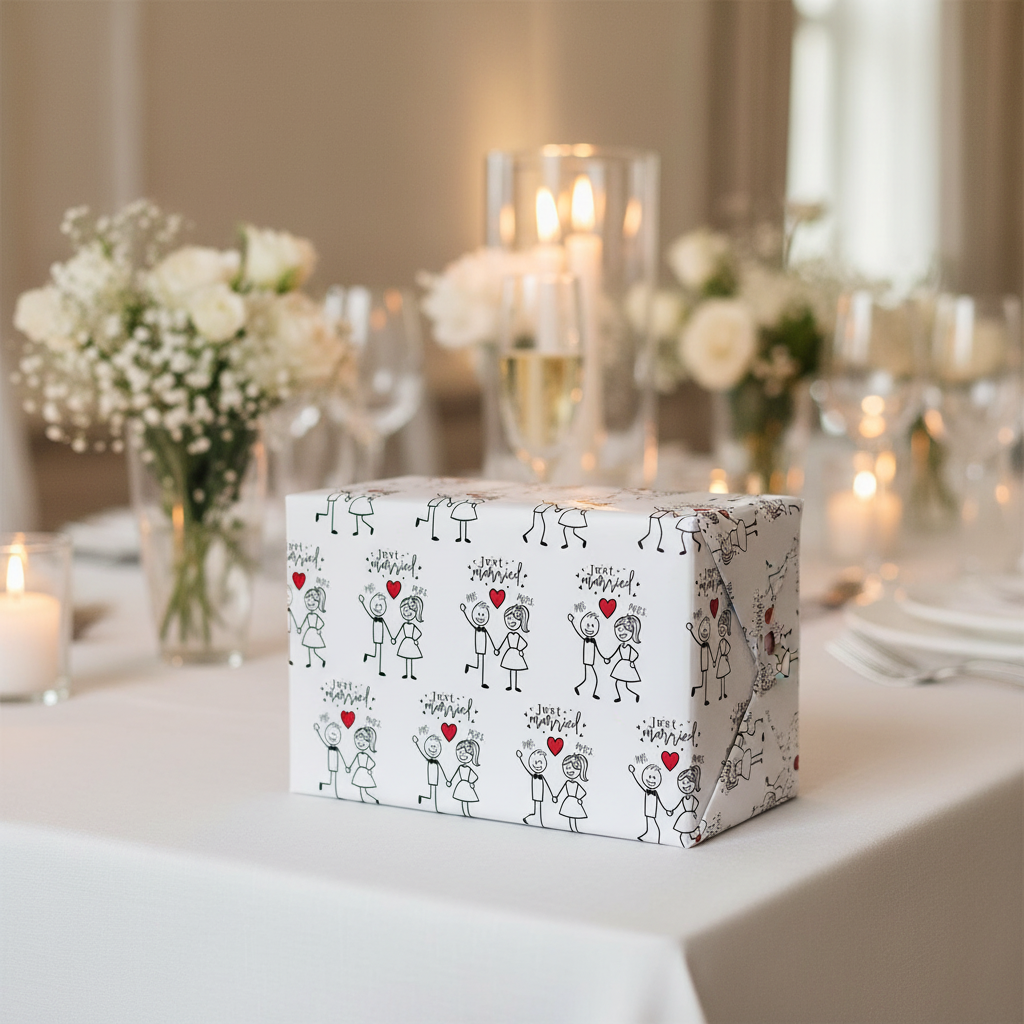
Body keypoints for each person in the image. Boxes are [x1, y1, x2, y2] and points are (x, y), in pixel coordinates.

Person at [568, 611, 605, 699]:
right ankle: (591, 693)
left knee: (588, 678)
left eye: (592, 626)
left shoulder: (593, 640)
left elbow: (598, 650)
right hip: (587, 661)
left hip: (591, 661)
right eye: (587, 625)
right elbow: (578, 632)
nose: (589, 628)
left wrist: (604, 658)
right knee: (593, 678)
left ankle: (579, 688)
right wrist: (572, 622)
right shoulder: (585, 639)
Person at [628, 763, 666, 843]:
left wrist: (666, 809)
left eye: (654, 777)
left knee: (652, 820)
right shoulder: (646, 790)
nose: (651, 780)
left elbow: (660, 801)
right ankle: (649, 832)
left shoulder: (655, 792)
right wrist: (633, 773)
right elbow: (640, 784)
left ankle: (655, 834)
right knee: (649, 820)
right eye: (649, 777)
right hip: (648, 808)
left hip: (653, 809)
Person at [460, 601, 495, 688]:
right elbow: (469, 621)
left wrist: (495, 648)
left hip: (483, 647)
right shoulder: (476, 628)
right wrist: (464, 612)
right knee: (479, 664)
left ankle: (482, 682)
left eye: (483, 615)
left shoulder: (485, 630)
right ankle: (470, 667)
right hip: (478, 646)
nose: (480, 617)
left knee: (481, 664)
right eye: (479, 614)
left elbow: (490, 638)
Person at [608, 614, 642, 702]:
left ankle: (634, 695)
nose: (620, 632)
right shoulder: (620, 646)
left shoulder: (629, 647)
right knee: (619, 683)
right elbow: (615, 653)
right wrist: (609, 658)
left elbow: (635, 654)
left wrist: (632, 661)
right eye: (618, 630)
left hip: (627, 665)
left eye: (624, 629)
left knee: (623, 684)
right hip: (621, 664)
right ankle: (622, 697)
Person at [496, 604, 529, 692]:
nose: (511, 621)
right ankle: (511, 685)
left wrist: (520, 650)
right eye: (509, 618)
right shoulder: (509, 634)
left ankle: (516, 686)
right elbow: (504, 643)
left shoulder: (517, 635)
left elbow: (524, 643)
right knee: (511, 669)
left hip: (516, 652)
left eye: (515, 619)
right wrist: (498, 649)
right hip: (510, 652)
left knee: (515, 669)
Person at [515, 748, 552, 825]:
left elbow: (547, 785)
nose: (537, 765)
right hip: (535, 792)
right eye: (535, 762)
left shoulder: (542, 777)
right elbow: (526, 768)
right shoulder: (533, 775)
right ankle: (536, 818)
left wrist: (552, 795)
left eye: (540, 762)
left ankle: (538, 818)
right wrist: (521, 758)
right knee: (536, 804)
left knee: (539, 805)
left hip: (540, 792)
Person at [553, 753, 589, 833]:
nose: (569, 771)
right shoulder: (567, 782)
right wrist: (557, 797)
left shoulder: (576, 784)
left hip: (574, 801)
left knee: (574, 815)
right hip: (568, 800)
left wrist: (579, 798)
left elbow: (583, 792)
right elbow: (562, 791)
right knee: (570, 815)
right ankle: (571, 828)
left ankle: (575, 828)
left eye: (572, 768)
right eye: (567, 768)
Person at [359, 592, 391, 676]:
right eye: (376, 605)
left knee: (378, 653)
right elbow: (368, 613)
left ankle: (379, 670)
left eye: (380, 605)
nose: (378, 608)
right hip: (376, 636)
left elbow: (387, 628)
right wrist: (363, 603)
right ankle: (369, 657)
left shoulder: (382, 619)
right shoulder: (374, 619)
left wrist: (392, 637)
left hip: (380, 636)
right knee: (377, 653)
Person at [393, 595, 424, 680]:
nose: (407, 614)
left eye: (410, 611)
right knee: (407, 658)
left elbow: (419, 633)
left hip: (410, 642)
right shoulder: (404, 625)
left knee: (410, 657)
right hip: (406, 641)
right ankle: (407, 674)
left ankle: (411, 674)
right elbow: (400, 632)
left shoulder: (413, 625)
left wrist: (415, 639)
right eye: (405, 611)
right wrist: (395, 638)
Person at [345, 726, 379, 803]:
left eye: (362, 743)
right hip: (360, 772)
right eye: (358, 742)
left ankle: (373, 799)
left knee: (364, 790)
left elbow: (373, 763)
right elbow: (354, 762)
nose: (360, 744)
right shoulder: (359, 754)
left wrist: (369, 769)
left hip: (364, 772)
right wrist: (349, 767)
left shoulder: (366, 755)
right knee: (362, 789)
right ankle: (366, 800)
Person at [412, 734, 446, 811]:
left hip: (435, 777)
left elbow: (442, 769)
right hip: (431, 777)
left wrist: (447, 779)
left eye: (435, 746)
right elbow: (422, 753)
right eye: (431, 746)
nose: (433, 748)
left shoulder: (436, 761)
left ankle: (434, 805)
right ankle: (432, 804)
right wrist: (416, 743)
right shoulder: (429, 760)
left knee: (433, 792)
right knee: (432, 792)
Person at [669, 765, 702, 846]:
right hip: (685, 815)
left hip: (690, 813)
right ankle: (687, 839)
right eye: (683, 783)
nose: (686, 785)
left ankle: (692, 838)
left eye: (687, 782)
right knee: (686, 829)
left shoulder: (692, 798)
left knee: (691, 828)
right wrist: (672, 810)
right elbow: (678, 805)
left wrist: (693, 811)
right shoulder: (684, 798)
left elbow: (696, 803)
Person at [448, 738, 481, 816]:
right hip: (461, 785)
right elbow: (455, 775)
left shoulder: (468, 768)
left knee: (466, 799)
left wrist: (471, 782)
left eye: (465, 753)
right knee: (462, 799)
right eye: (460, 753)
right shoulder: (460, 767)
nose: (462, 755)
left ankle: (467, 813)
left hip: (466, 785)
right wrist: (450, 781)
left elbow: (475, 776)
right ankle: (464, 813)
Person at [686, 616, 712, 706]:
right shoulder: (703, 645)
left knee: (704, 682)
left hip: (706, 664)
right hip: (703, 664)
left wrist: (713, 661)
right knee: (703, 682)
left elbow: (710, 653)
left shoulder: (706, 644)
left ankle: (705, 698)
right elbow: (696, 640)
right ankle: (702, 696)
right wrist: (691, 631)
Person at [299, 586, 327, 668]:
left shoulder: (315, 615)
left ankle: (322, 660)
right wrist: (300, 628)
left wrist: (318, 629)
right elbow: (304, 623)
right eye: (308, 603)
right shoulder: (308, 615)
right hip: (309, 632)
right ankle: (310, 663)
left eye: (313, 604)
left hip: (313, 632)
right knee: (309, 649)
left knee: (314, 650)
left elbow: (322, 623)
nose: (310, 605)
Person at [314, 720, 343, 797]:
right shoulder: (329, 747)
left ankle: (335, 791)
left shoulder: (336, 748)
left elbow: (341, 756)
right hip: (331, 764)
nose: (333, 739)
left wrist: (346, 765)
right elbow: (323, 741)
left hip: (335, 764)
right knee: (331, 779)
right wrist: (317, 731)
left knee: (333, 778)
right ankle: (330, 788)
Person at [715, 608, 732, 700]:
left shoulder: (724, 641)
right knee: (722, 677)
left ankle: (723, 693)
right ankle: (721, 693)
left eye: (723, 629)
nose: (721, 631)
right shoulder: (721, 642)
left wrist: (726, 655)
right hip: (722, 660)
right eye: (720, 629)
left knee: (724, 677)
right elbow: (718, 652)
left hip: (724, 659)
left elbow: (728, 648)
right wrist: (715, 660)